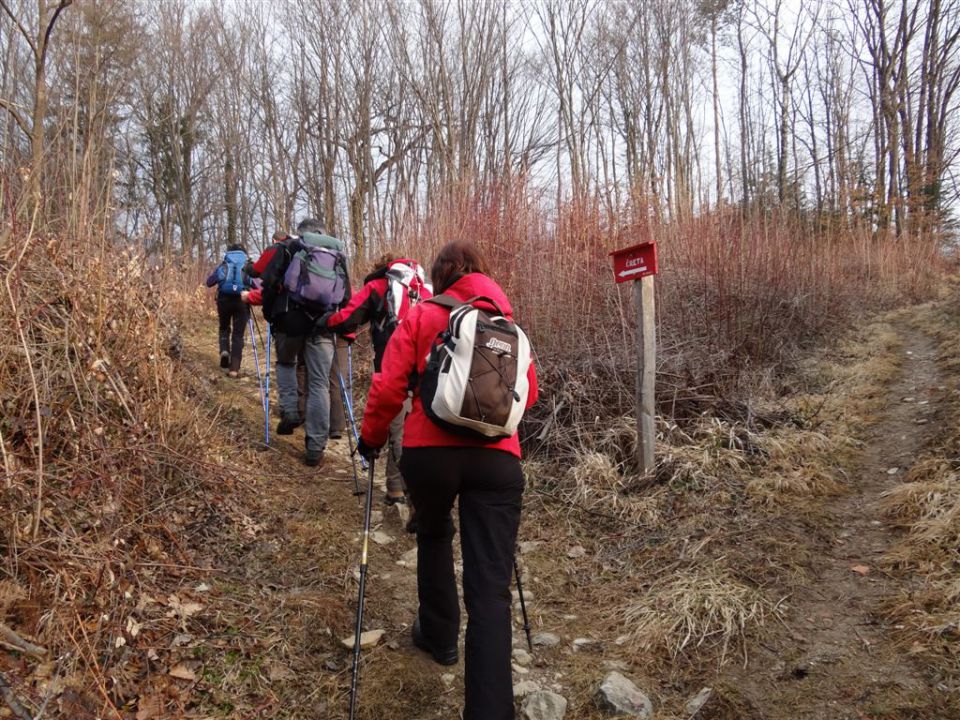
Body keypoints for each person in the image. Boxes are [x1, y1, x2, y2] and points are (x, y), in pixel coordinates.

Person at [356, 241, 537, 720]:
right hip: (497, 463)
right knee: (490, 588)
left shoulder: (421, 315)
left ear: (440, 277)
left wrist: (370, 439)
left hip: (428, 455)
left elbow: (389, 384)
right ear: (482, 274)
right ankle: (490, 711)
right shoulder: (507, 322)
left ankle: (439, 637)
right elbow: (529, 394)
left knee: (434, 532)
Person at [243, 219, 351, 467]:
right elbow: (346, 297)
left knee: (286, 364)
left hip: (289, 321)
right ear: (323, 232)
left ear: (300, 232)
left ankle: (290, 410)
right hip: (324, 325)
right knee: (320, 384)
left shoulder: (287, 247)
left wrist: (272, 315)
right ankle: (315, 447)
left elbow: (268, 283)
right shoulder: (338, 254)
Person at [327, 255, 432, 506]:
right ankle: (400, 487)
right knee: (414, 426)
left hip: (393, 364)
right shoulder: (423, 288)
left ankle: (406, 491)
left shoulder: (378, 286)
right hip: (428, 369)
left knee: (397, 427)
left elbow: (348, 318)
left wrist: (327, 321)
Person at [205, 243, 251, 378]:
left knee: (224, 327)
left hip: (224, 300)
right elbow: (255, 283)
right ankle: (234, 370)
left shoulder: (224, 264)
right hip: (242, 301)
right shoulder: (247, 266)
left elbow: (209, 282)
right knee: (238, 335)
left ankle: (224, 350)